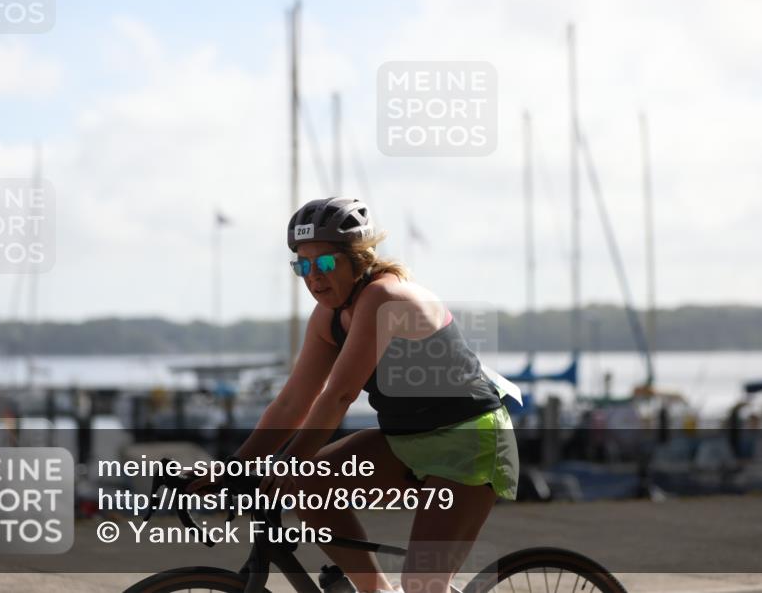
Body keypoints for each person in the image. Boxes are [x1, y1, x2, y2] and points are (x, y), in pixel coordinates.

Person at [191, 197, 518, 593]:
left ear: (357, 258)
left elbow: (339, 396)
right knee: (311, 485)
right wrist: (235, 468)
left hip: (470, 440)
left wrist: (289, 463)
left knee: (422, 584)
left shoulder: (386, 298)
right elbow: (292, 403)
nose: (314, 277)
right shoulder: (329, 318)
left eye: (325, 263)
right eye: (303, 266)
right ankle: (373, 589)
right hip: (406, 441)